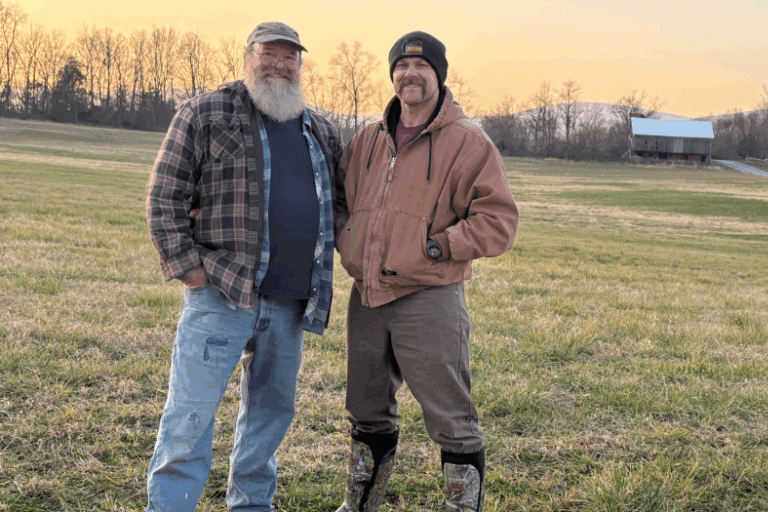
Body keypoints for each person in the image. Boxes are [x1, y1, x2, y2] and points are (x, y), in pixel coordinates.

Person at [144, 21, 343, 512]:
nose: (278, 64)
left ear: (301, 65)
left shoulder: (319, 128)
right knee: (190, 416)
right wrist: (189, 268)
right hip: (222, 292)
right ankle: (170, 505)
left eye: (289, 57)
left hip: (291, 301)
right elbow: (164, 194)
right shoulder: (207, 111)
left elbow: (340, 199)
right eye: (267, 54)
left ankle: (251, 504)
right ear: (247, 57)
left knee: (270, 417)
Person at [332, 31, 518, 512]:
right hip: (368, 296)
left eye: (422, 67)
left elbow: (498, 221)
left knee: (451, 418)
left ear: (438, 76)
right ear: (392, 75)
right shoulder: (367, 140)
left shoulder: (468, 143)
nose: (410, 75)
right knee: (366, 410)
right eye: (401, 67)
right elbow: (338, 201)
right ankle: (360, 505)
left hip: (429, 297)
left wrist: (437, 247)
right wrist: (346, 239)